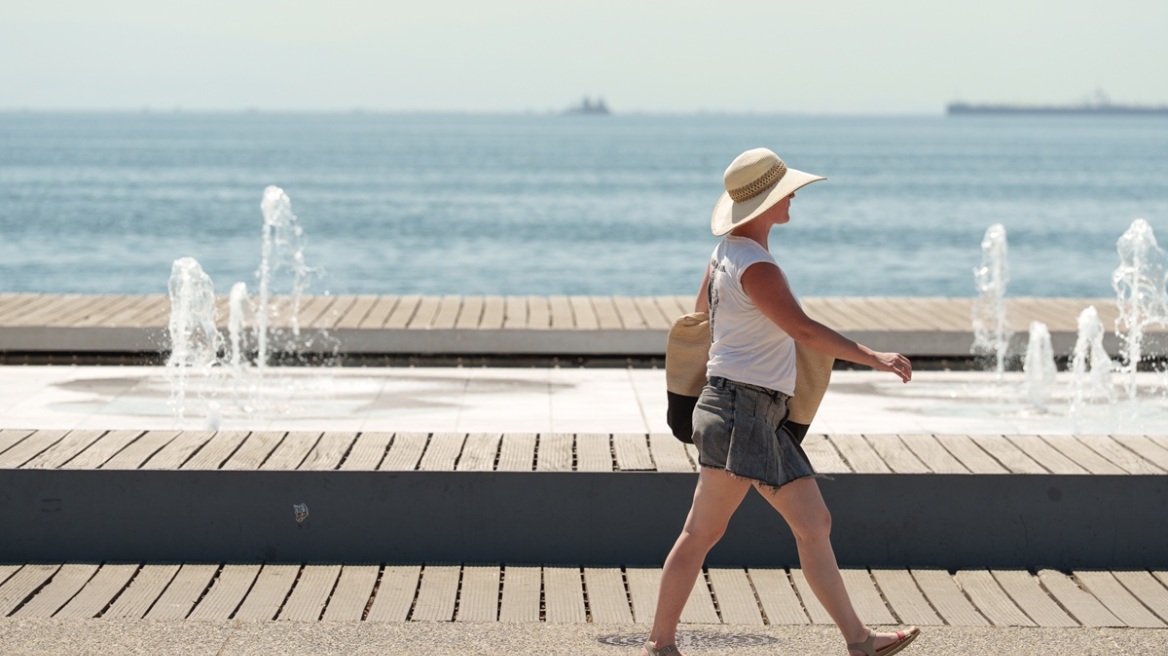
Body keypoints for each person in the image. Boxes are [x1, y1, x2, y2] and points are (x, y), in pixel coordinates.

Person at [641, 148, 920, 656]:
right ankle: (659, 644)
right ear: (765, 203)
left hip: (751, 411)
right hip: (740, 411)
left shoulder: (725, 253)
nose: (793, 196)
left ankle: (859, 640)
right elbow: (802, 329)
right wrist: (874, 357)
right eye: (786, 190)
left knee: (814, 524)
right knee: (702, 531)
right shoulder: (758, 266)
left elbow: (703, 318)